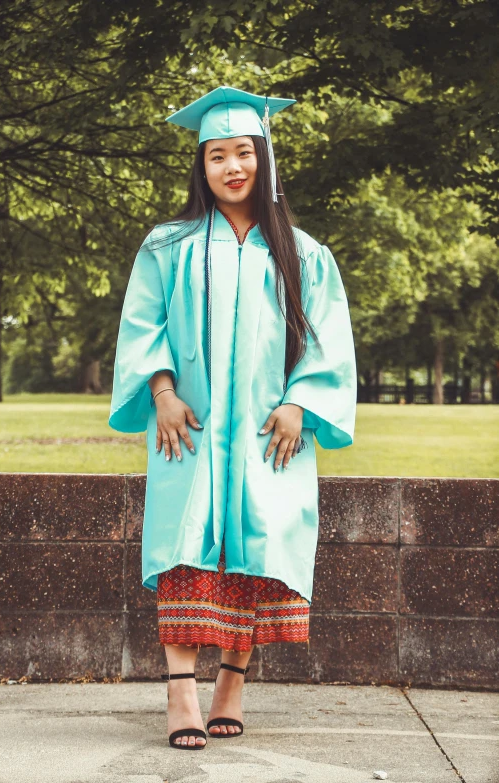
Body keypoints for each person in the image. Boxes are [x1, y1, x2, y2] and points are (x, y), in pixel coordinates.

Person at [108, 86, 357, 750]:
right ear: (202, 165)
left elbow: (329, 340)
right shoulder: (169, 246)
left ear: (264, 158)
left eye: (243, 152)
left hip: (269, 434)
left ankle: (233, 684)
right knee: (186, 549)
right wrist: (160, 392)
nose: (231, 167)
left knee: (255, 553)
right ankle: (181, 691)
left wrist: (301, 402)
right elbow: (142, 325)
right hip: (188, 429)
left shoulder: (304, 255)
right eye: (217, 155)